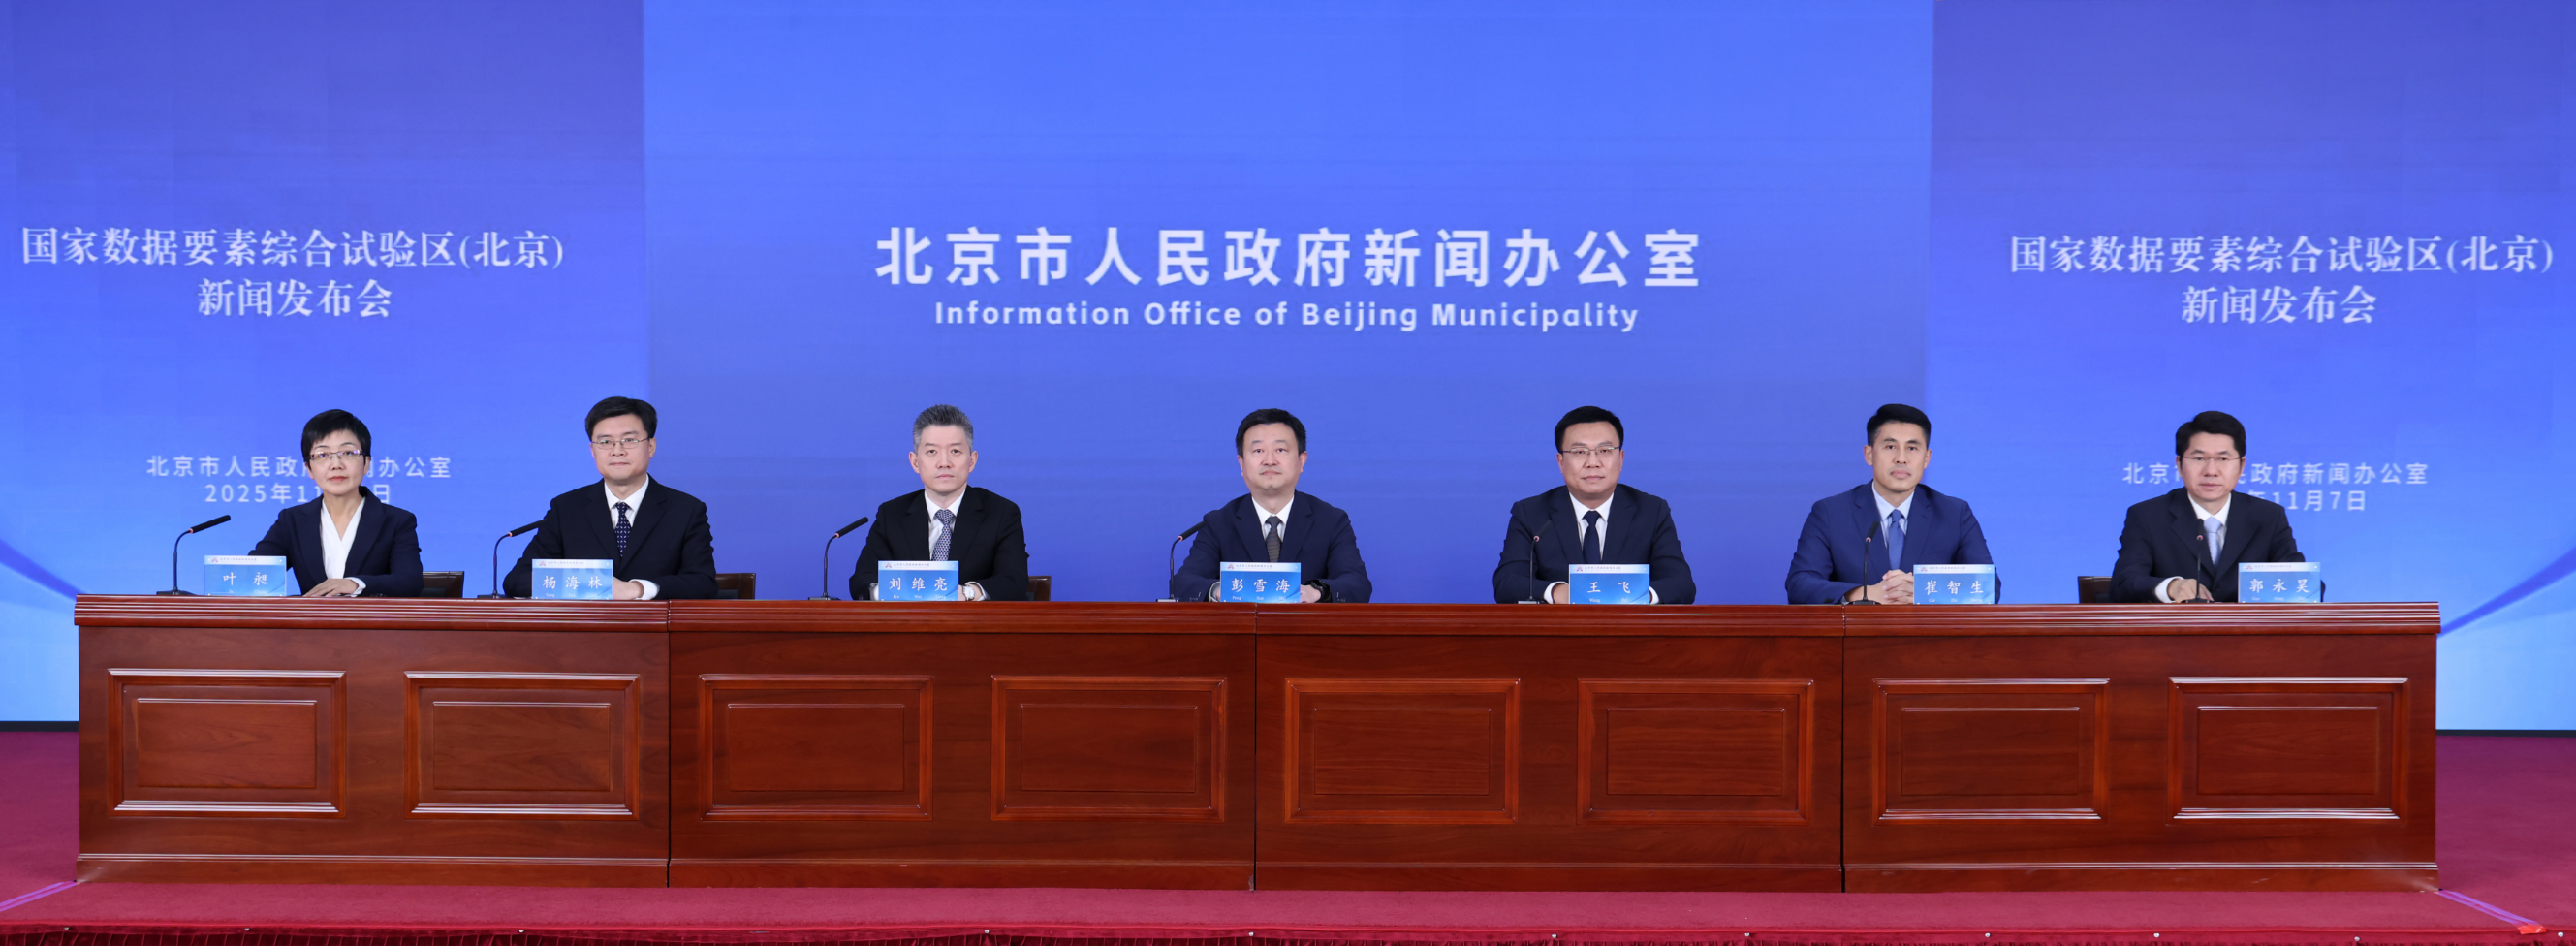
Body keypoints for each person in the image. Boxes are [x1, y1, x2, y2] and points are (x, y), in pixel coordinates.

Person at [503, 396, 718, 599]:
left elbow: (702, 582)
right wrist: (596, 585)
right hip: (586, 625)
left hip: (653, 625)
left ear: (651, 446)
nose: (617, 450)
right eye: (605, 442)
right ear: (592, 450)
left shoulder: (685, 510)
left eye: (629, 440)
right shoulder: (567, 509)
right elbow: (518, 580)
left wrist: (636, 589)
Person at [1785, 403, 1995, 604]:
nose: (1901, 458)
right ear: (1869, 454)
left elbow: (1988, 587)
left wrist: (1923, 592)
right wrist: (1865, 594)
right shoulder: (1831, 513)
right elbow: (1799, 584)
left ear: (1926, 458)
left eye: (1912, 448)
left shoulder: (1954, 514)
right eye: (1890, 446)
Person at [1492, 406, 1694, 603]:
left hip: (1628, 625)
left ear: (1621, 458)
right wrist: (1558, 591)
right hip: (1561, 625)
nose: (1593, 462)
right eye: (1580, 452)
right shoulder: (1531, 513)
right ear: (1561, 462)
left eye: (1604, 450)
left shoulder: (1651, 511)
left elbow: (1681, 584)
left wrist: (1635, 596)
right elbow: (1506, 583)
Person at [1170, 408, 1370, 603]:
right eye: (1258, 450)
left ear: (1301, 460)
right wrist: (1222, 590)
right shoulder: (1218, 523)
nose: (1269, 460)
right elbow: (1184, 583)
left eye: (1280, 450)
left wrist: (1316, 592)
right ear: (1241, 463)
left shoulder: (1331, 521)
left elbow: (1357, 584)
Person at [2112, 410, 2303, 603]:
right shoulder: (2148, 516)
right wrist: (2171, 587)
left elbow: (2302, 585)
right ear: (2179, 464)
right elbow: (2123, 584)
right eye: (2199, 459)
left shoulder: (2269, 516)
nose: (2211, 471)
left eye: (2223, 459)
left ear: (2241, 466)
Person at [850, 404, 1030, 601]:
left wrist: (968, 593)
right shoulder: (891, 514)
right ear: (915, 462)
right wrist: (899, 592)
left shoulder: (1001, 513)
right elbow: (861, 581)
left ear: (972, 461)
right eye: (932, 451)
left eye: (955, 451)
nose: (944, 462)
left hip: (971, 620)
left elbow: (1014, 581)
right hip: (907, 620)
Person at [248, 409, 424, 597]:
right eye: (322, 455)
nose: (336, 464)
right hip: (311, 617)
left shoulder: (396, 521)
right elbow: (253, 574)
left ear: (366, 464)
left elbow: (410, 581)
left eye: (348, 452)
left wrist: (356, 584)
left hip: (370, 617)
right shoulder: (292, 520)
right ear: (309, 468)